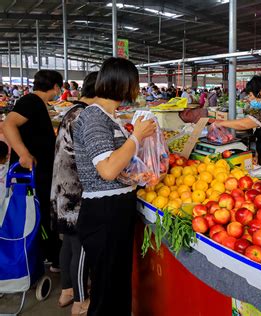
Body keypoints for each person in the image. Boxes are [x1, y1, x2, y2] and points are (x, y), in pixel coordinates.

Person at [73, 58, 156, 316]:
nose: (136, 91)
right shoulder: (95, 117)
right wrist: (136, 137)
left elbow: (117, 165)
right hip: (104, 212)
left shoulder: (107, 116)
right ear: (123, 84)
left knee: (116, 284)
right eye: (134, 84)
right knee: (108, 290)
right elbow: (108, 169)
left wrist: (137, 174)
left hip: (114, 208)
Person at [3, 70, 63, 270]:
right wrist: (24, 154)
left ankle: (49, 253)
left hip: (40, 170)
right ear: (55, 87)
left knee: (44, 210)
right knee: (40, 211)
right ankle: (50, 254)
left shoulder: (38, 104)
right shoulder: (30, 102)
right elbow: (8, 124)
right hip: (31, 171)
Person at [51, 71, 98, 316]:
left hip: (61, 187)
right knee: (81, 247)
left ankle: (67, 291)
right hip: (76, 190)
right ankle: (81, 301)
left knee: (68, 242)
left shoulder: (71, 111)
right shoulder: (85, 116)